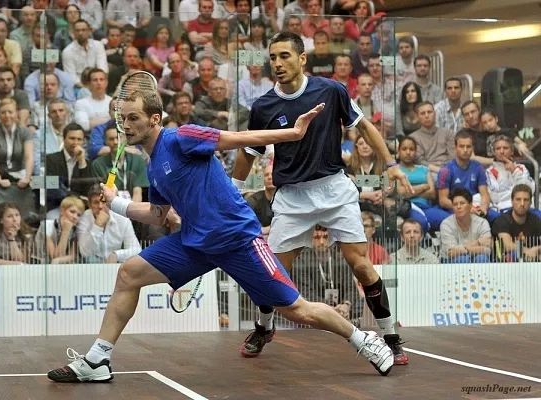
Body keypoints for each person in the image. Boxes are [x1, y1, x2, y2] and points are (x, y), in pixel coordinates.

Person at [47, 87, 394, 383]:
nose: (126, 124)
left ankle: (363, 339)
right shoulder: (154, 166)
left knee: (296, 311)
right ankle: (97, 361)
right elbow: (157, 213)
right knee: (128, 274)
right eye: (122, 118)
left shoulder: (181, 137)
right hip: (195, 242)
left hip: (238, 239)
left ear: (154, 119)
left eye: (133, 117)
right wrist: (119, 204)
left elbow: (235, 139)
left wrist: (291, 134)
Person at [231, 32, 412, 365]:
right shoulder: (264, 106)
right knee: (272, 276)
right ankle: (264, 326)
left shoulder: (331, 90)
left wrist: (392, 165)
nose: (277, 63)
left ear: (302, 59)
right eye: (272, 58)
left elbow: (366, 128)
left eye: (284, 56)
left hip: (334, 189)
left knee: (361, 264)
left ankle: (389, 335)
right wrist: (233, 190)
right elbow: (248, 152)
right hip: (292, 197)